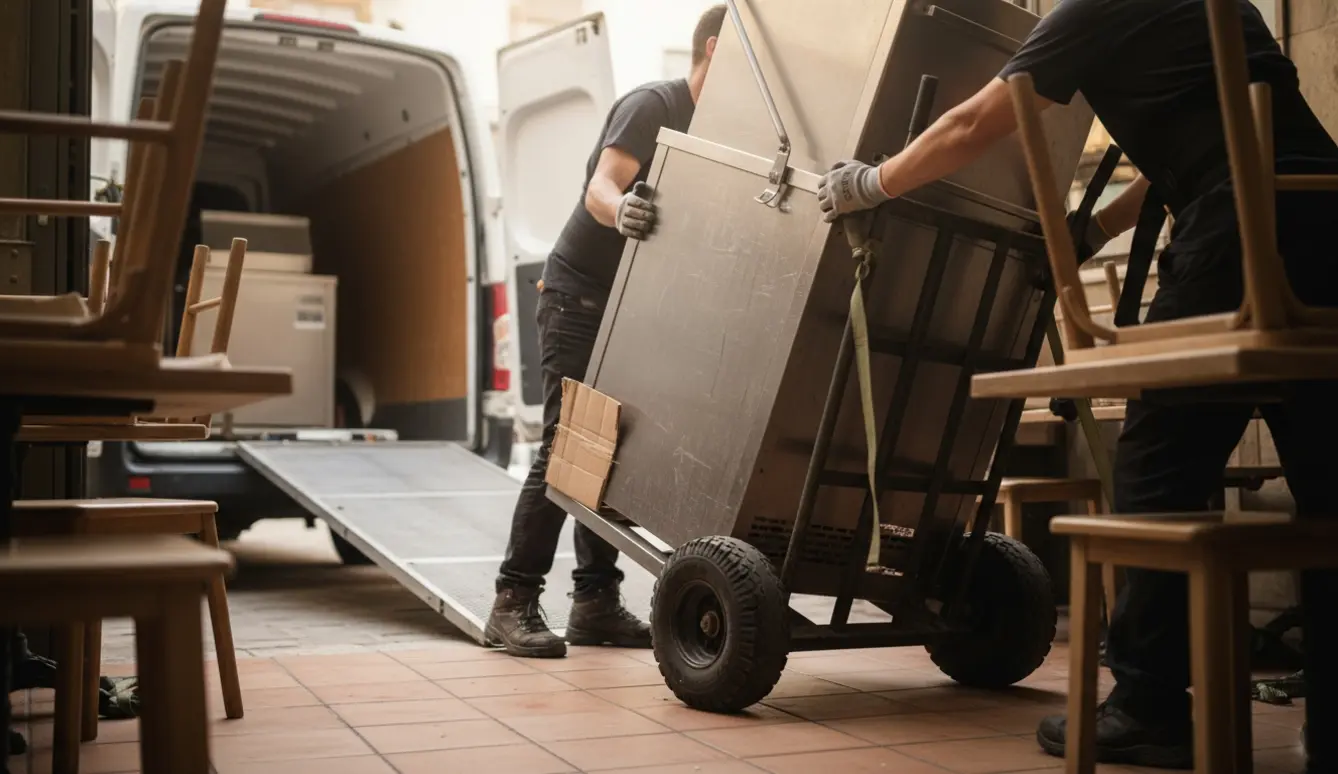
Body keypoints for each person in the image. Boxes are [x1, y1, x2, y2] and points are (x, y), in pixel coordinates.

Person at [816, 0, 1338, 770]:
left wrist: (874, 182)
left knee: (1158, 465)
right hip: (1320, 213)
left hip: (1238, 223)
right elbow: (1209, 137)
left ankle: (1149, 706)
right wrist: (1098, 229)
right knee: (1327, 480)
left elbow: (982, 119)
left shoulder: (1097, 5)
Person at [488, 5, 728, 659]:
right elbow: (600, 186)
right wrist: (624, 209)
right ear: (713, 45)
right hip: (578, 296)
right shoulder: (654, 103)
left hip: (636, 307)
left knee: (615, 450)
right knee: (571, 442)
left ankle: (594, 600)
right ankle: (512, 602)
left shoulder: (721, 128)